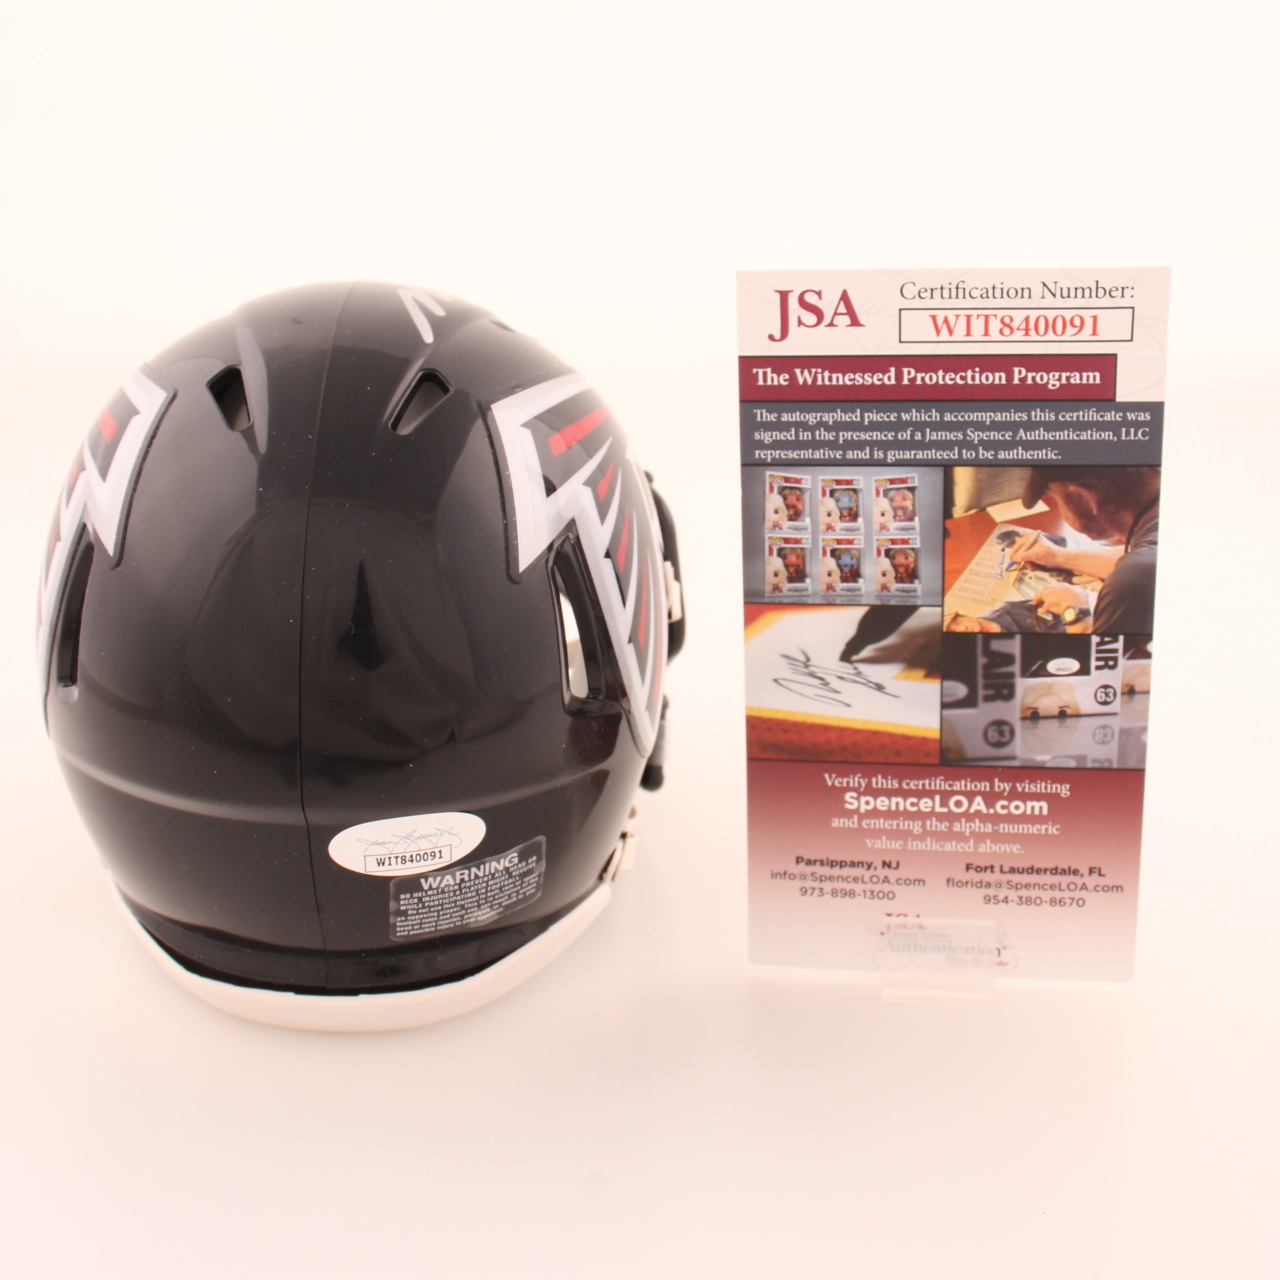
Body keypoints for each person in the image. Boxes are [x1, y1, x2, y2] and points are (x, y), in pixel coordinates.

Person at [1012, 466, 1159, 633]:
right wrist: (1056, 556)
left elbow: (1097, 650)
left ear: (1087, 498)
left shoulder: (1130, 583)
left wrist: (1076, 613)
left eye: (1057, 500)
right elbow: (1140, 559)